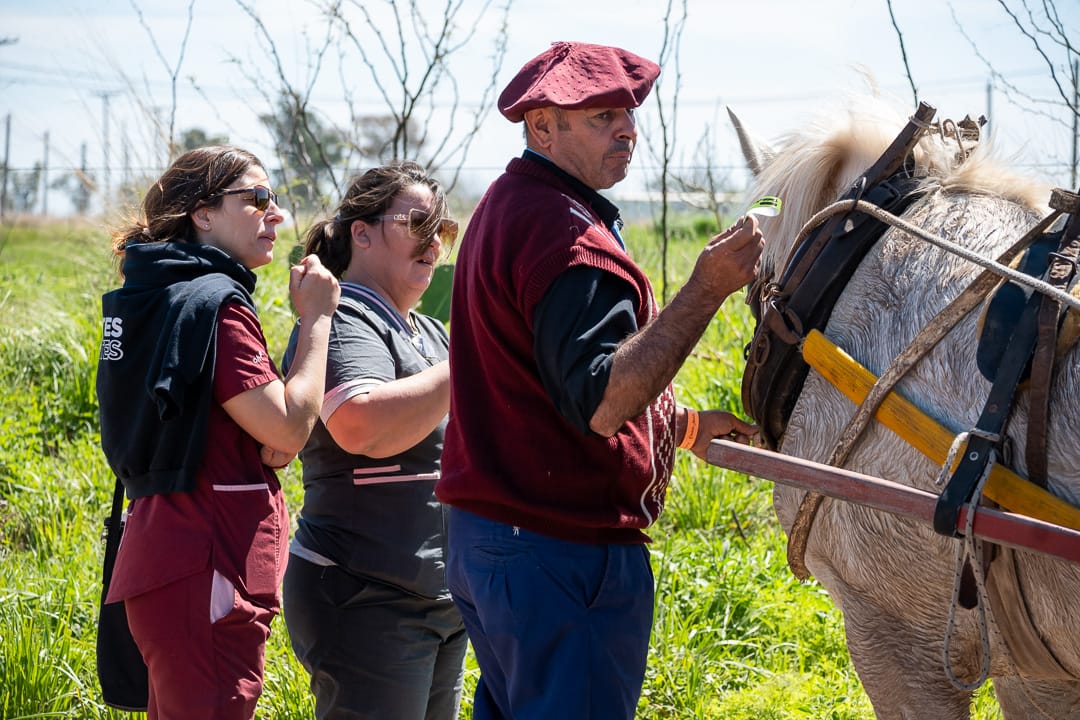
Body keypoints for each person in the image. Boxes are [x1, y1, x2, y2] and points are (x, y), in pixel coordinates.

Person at [435, 41, 764, 719]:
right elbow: (602, 401)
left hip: (496, 539)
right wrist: (706, 289)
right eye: (601, 117)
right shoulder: (565, 237)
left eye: (628, 114)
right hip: (557, 552)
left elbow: (537, 386)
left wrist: (682, 428)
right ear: (542, 126)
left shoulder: (510, 204)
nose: (627, 130)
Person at [96, 145, 340, 720]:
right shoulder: (215, 306)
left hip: (166, 556)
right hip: (208, 568)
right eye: (257, 198)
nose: (276, 213)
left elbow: (248, 433)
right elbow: (288, 428)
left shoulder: (151, 297)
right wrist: (318, 319)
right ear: (202, 213)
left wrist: (265, 436)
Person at [280, 161, 467, 720]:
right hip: (366, 597)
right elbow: (361, 425)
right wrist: (475, 360)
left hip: (439, 599)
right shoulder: (345, 317)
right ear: (361, 233)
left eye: (442, 229)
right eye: (417, 224)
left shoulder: (429, 331)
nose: (434, 243)